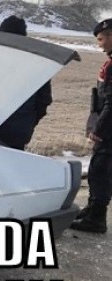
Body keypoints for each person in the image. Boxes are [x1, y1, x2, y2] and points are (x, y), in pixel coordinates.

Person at [71, 18, 112, 233]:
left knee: (100, 171)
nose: (100, 45)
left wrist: (98, 129)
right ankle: (91, 210)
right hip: (107, 126)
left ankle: (96, 219)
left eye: (101, 39)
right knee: (99, 170)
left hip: (109, 130)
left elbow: (111, 103)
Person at [0, 15, 52, 150]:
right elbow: (44, 101)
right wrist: (28, 122)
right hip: (18, 131)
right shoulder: (39, 64)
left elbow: (44, 101)